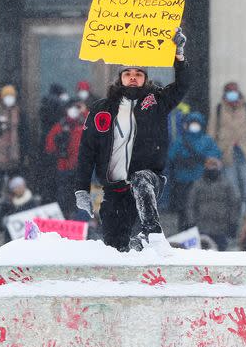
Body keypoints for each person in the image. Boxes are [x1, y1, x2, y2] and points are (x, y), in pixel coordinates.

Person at [74, 28, 187, 253]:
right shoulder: (101, 109)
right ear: (120, 78)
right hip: (113, 191)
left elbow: (182, 85)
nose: (133, 77)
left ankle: (152, 233)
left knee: (141, 178)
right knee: (117, 250)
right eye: (127, 73)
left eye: (138, 73)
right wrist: (82, 189)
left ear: (145, 78)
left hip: (148, 181)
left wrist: (179, 55)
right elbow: (87, 150)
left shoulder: (157, 102)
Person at [210, 81, 246, 210]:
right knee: (232, 186)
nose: (232, 94)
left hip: (245, 151)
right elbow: (211, 131)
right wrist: (212, 151)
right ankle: (235, 212)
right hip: (226, 152)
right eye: (229, 91)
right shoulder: (218, 109)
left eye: (234, 91)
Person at [167, 112, 221, 230]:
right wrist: (184, 159)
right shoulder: (181, 140)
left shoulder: (207, 140)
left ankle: (196, 230)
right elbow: (171, 156)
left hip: (199, 180)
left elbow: (215, 155)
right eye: (192, 123)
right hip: (184, 181)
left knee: (198, 207)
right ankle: (184, 230)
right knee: (183, 208)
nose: (194, 126)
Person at [185, 157, 238, 251]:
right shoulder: (198, 185)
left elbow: (233, 204)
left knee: (221, 254)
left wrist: (232, 222)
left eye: (214, 166)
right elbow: (190, 205)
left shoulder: (227, 184)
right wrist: (191, 222)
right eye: (209, 166)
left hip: (221, 227)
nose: (211, 169)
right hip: (202, 227)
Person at [45, 100, 86, 219]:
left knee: (80, 195)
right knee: (64, 195)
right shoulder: (61, 126)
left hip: (81, 167)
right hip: (64, 166)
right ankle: (65, 217)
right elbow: (50, 146)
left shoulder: (85, 123)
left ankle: (78, 219)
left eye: (76, 108)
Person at [0, 84, 24, 207]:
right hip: (0, 156)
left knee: (14, 183)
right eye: (6, 96)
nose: (9, 99)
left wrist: (24, 153)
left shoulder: (20, 113)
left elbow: (24, 133)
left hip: (15, 155)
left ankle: (15, 206)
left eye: (11, 96)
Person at [0, 176, 41, 242]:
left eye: (21, 186)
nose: (20, 189)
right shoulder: (6, 204)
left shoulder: (33, 202)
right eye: (17, 187)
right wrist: (4, 222)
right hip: (11, 238)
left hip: (29, 239)